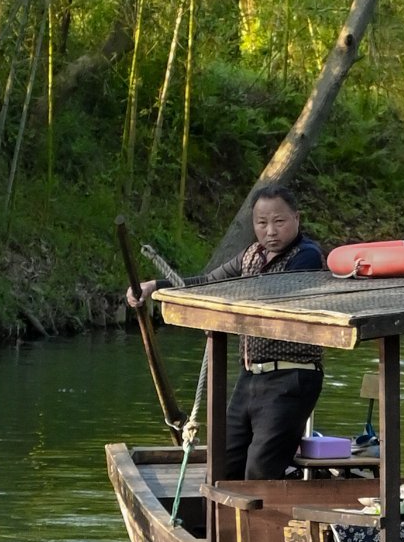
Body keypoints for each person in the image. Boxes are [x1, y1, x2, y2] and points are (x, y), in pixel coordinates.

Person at [128, 184, 329, 478]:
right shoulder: (251, 255)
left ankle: (261, 522)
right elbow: (209, 282)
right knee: (222, 465)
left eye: (279, 221)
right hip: (250, 377)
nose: (270, 231)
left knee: (260, 471)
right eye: (262, 223)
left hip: (292, 377)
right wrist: (153, 287)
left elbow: (269, 292)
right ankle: (222, 524)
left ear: (297, 219)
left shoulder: (307, 256)